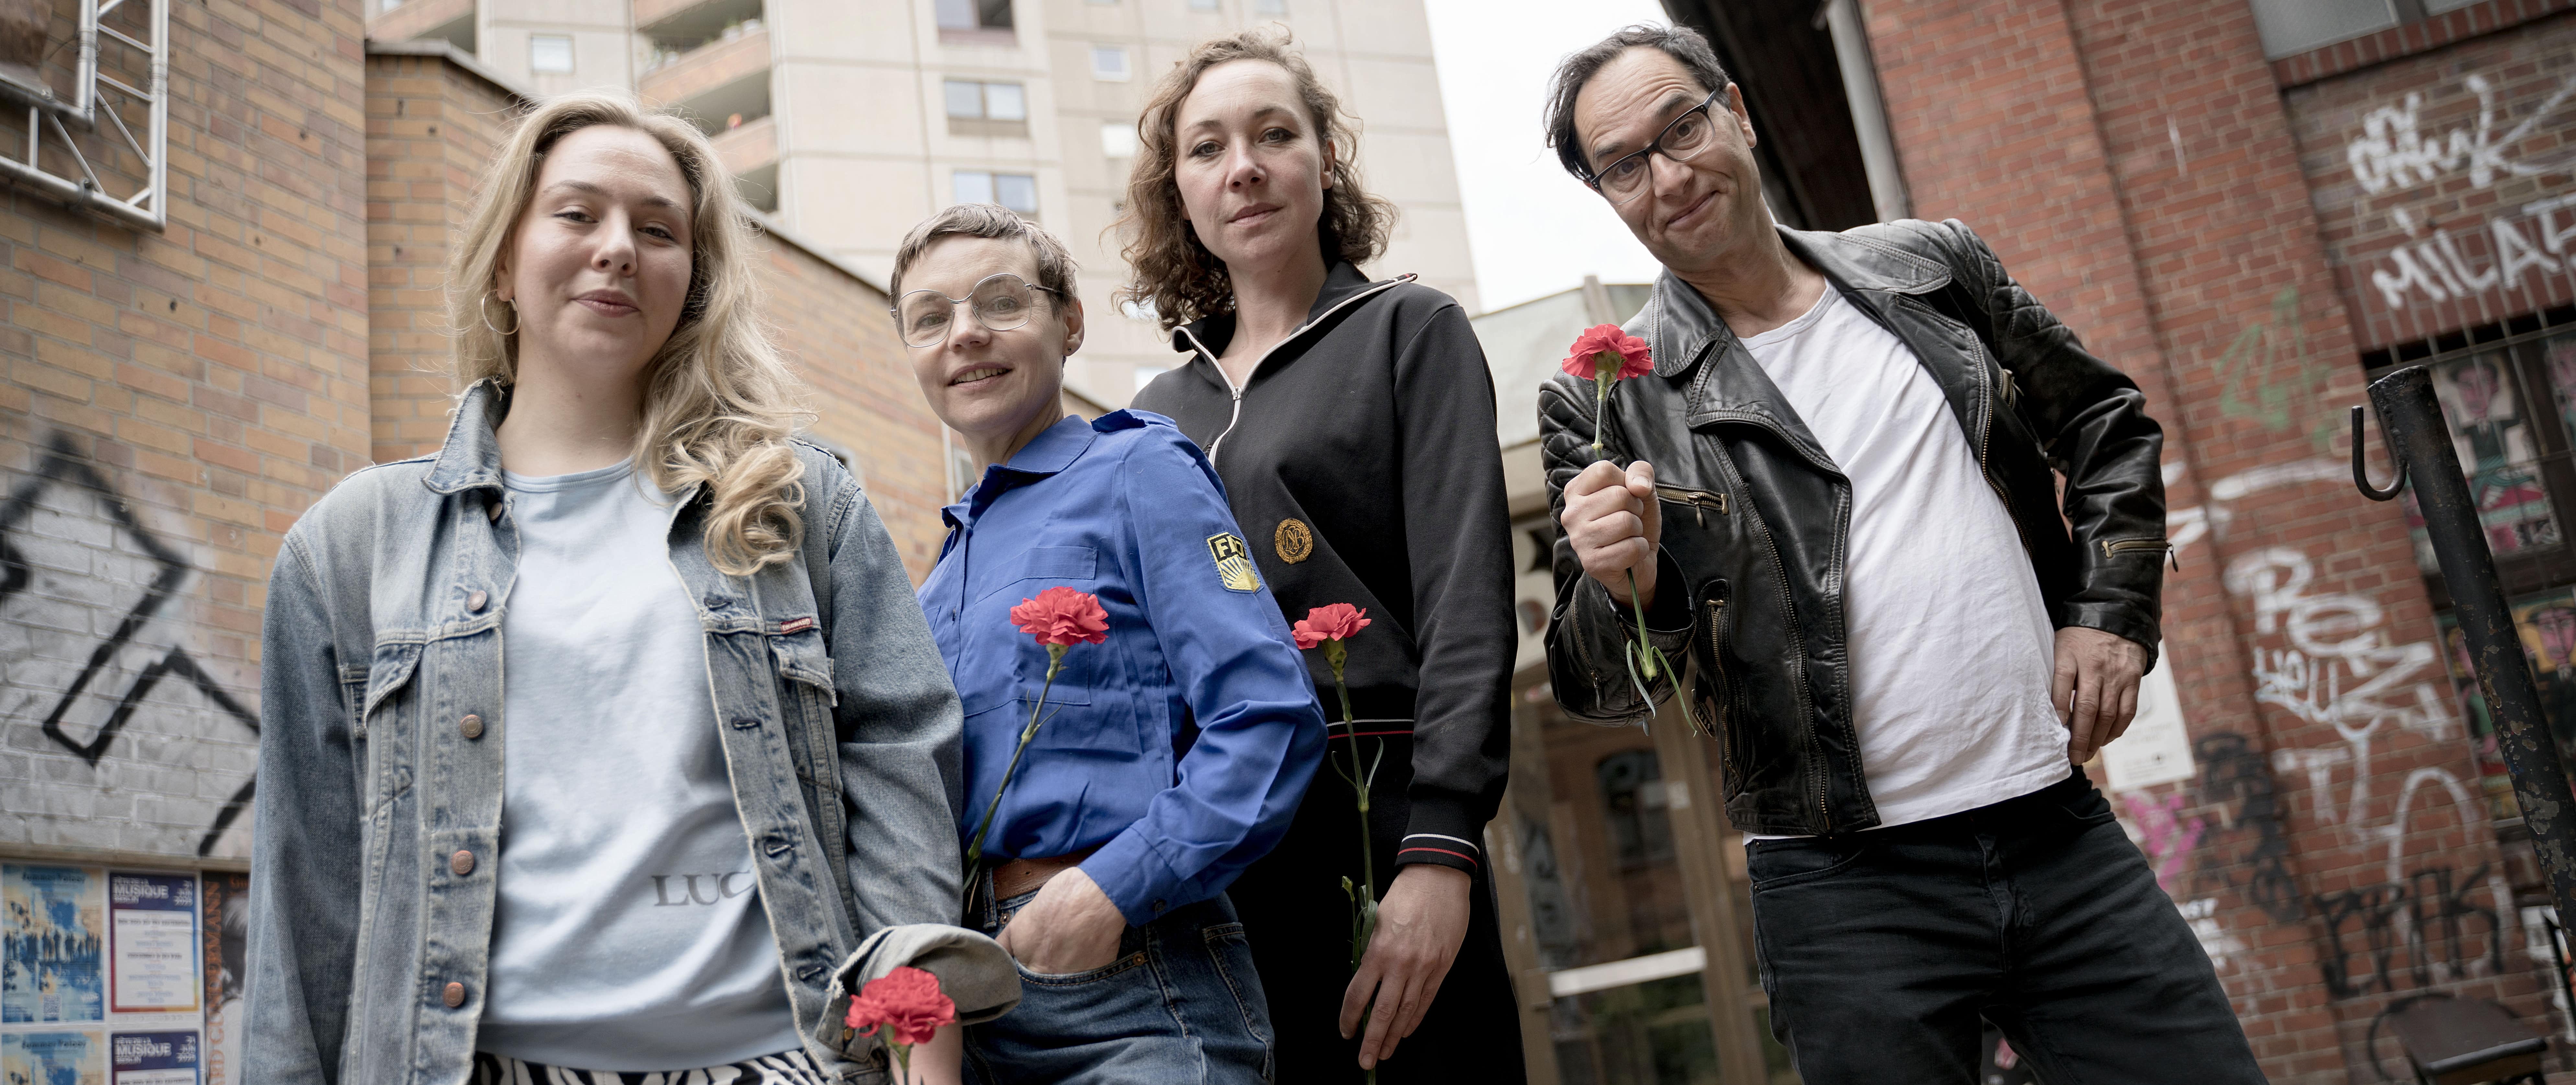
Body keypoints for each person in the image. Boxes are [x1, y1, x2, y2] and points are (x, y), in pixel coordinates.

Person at [1537, 25, 2263, 1084]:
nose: (1669, 176)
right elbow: (1598, 683)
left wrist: (2111, 615)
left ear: (1737, 112)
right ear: (1605, 194)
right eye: (1624, 165)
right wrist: (1627, 584)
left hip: (2055, 827)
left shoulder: (1931, 269)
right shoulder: (1605, 400)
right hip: (1843, 894)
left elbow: (2106, 423)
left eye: (1681, 129)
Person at [244, 92, 976, 1085]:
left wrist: (920, 1044)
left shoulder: (800, 507)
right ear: (504, 262)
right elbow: (306, 899)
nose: (619, 248)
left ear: (693, 281)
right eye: (577, 213)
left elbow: (900, 765)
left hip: (779, 1062)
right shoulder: (352, 545)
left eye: (658, 229)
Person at [1123, 28, 1524, 1082]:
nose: (1243, 167)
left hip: (1384, 815)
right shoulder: (1154, 414)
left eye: (1274, 134)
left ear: (1325, 159)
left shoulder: (1410, 330)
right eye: (1207, 148)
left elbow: (1467, 599)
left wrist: (1442, 847)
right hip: (1217, 855)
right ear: (1179, 191)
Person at [893, 204, 1325, 1084]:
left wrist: (1109, 891)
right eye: (930, 318)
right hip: (974, 1012)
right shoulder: (934, 579)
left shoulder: (1138, 470)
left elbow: (1269, 717)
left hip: (1131, 982)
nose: (965, 334)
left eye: (1000, 302)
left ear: (1071, 323)